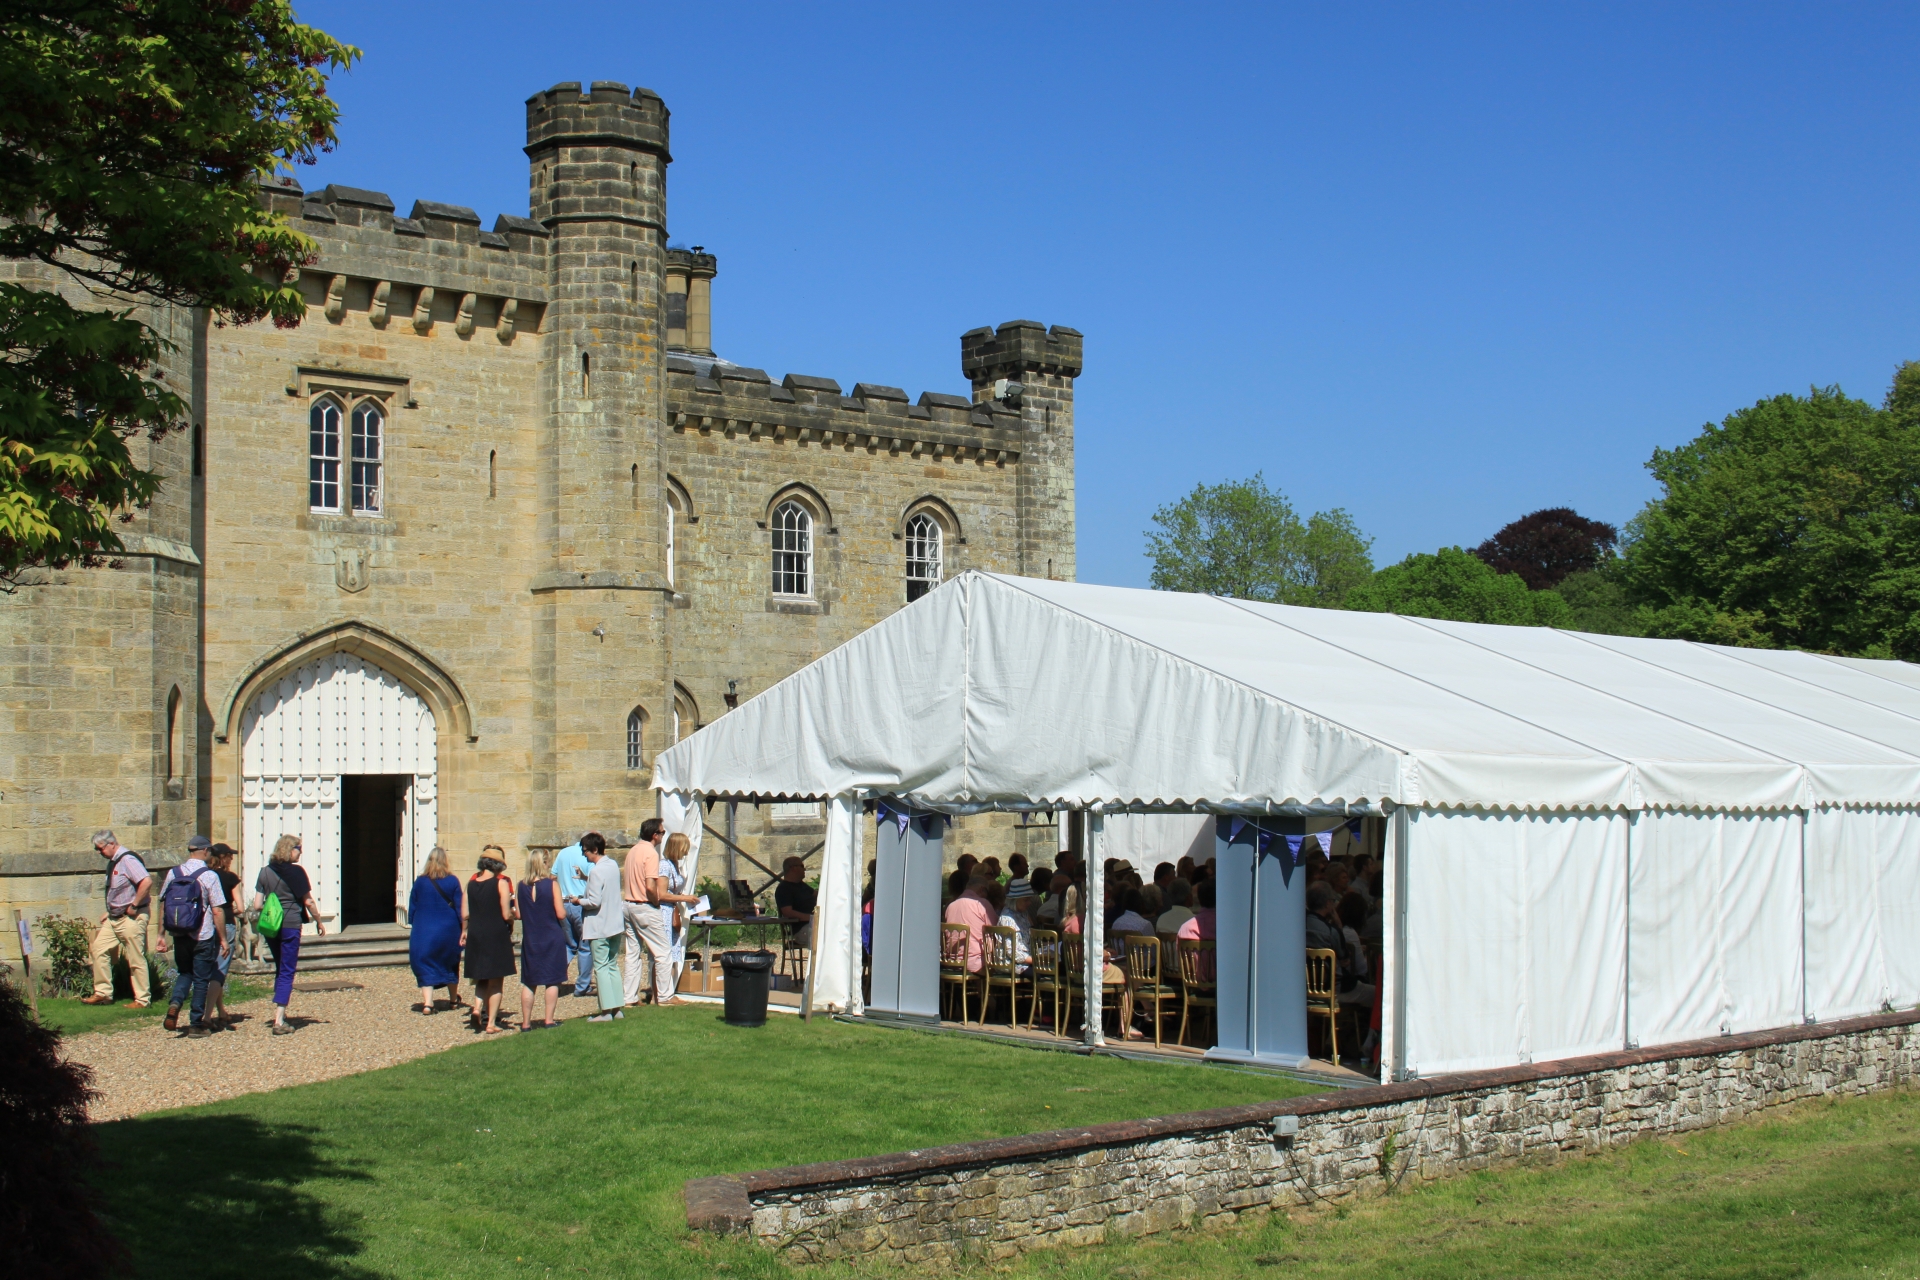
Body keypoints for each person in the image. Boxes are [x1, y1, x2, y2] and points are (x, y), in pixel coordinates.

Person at [155, 836, 228, 1038]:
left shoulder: (173, 873)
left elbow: (163, 905)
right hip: (202, 935)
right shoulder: (209, 876)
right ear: (205, 851)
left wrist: (161, 934)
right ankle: (196, 1024)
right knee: (201, 979)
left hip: (179, 933)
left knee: (184, 973)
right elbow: (218, 911)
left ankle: (175, 1003)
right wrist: (222, 939)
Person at [250, 834, 323, 1036]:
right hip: (290, 923)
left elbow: (257, 904)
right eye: (299, 848)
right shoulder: (297, 872)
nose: (300, 852)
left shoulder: (265, 872)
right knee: (287, 969)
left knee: (280, 966)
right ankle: (279, 1019)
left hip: (273, 925)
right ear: (290, 849)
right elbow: (308, 901)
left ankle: (280, 1009)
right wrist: (318, 920)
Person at [83, 829, 152, 1008]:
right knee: (98, 949)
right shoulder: (113, 862)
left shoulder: (128, 860)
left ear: (111, 844)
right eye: (96, 849)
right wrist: (111, 910)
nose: (99, 853)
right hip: (115, 918)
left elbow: (146, 881)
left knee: (135, 958)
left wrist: (134, 905)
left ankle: (142, 1000)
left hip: (130, 919)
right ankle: (103, 993)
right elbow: (119, 891)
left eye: (100, 848)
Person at [622, 818, 673, 1008]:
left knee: (633, 953)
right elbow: (650, 886)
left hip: (628, 904)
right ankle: (665, 996)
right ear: (655, 835)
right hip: (643, 905)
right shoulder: (650, 854)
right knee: (663, 952)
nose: (662, 835)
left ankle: (629, 997)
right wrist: (656, 901)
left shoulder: (633, 851)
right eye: (662, 832)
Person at [464, 847, 516, 1033]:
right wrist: (513, 918)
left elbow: (464, 913)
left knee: (481, 976)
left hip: (476, 933)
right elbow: (505, 913)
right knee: (496, 980)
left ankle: (477, 1008)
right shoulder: (499, 883)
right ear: (497, 865)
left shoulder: (470, 884)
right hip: (495, 933)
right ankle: (491, 1023)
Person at [408, 846, 464, 1014]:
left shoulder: (420, 882)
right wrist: (464, 927)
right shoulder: (452, 881)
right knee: (450, 963)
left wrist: (414, 923)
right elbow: (460, 907)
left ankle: (428, 1003)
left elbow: (412, 907)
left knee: (424, 963)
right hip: (448, 929)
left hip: (424, 930)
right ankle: (453, 1000)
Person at [575, 833, 625, 1021]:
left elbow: (594, 901)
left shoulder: (597, 871)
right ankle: (617, 1009)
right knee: (612, 966)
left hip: (600, 926)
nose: (585, 855)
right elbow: (603, 886)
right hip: (614, 924)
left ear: (595, 850)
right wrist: (585, 877)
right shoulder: (611, 865)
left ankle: (605, 1012)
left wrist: (578, 900)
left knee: (602, 967)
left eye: (586, 851)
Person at [517, 849, 567, 1029]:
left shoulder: (521, 886)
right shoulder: (551, 885)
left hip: (531, 936)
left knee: (529, 982)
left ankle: (526, 1023)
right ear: (543, 863)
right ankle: (549, 1020)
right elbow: (561, 914)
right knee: (552, 980)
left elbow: (520, 914)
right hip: (551, 935)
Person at [656, 832, 701, 1004]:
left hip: (672, 911)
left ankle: (668, 991)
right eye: (684, 849)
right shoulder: (664, 866)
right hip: (665, 912)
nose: (686, 853)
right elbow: (661, 894)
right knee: (665, 952)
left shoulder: (674, 865)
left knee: (673, 951)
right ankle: (662, 993)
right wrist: (684, 898)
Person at [550, 835, 594, 998]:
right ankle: (583, 986)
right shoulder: (587, 856)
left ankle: (554, 978)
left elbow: (552, 876)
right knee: (585, 946)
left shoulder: (563, 853)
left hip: (562, 903)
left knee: (569, 945)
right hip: (579, 903)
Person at [205, 844, 242, 1028]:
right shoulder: (230, 878)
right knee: (219, 971)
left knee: (212, 967)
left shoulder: (205, 876)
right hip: (225, 923)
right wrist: (232, 911)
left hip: (207, 925)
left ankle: (221, 1011)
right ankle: (206, 1015)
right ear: (225, 857)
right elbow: (241, 907)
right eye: (230, 856)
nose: (232, 859)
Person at [942, 873, 995, 973]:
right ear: (981, 889)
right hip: (977, 963)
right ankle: (986, 989)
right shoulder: (982, 904)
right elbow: (996, 931)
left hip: (952, 961)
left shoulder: (950, 906)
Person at [774, 855, 817, 949]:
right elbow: (788, 912)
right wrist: (812, 918)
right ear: (793, 868)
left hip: (814, 924)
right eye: (801, 866)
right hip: (802, 929)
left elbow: (816, 895)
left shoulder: (802, 885)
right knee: (826, 937)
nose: (804, 869)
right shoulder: (784, 888)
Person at [997, 885, 1034, 971]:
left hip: (1025, 960)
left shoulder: (1023, 913)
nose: (1029, 903)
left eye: (1029, 899)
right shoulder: (1007, 919)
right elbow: (1012, 951)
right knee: (1040, 973)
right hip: (1010, 963)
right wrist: (1035, 960)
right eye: (1026, 900)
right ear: (1015, 900)